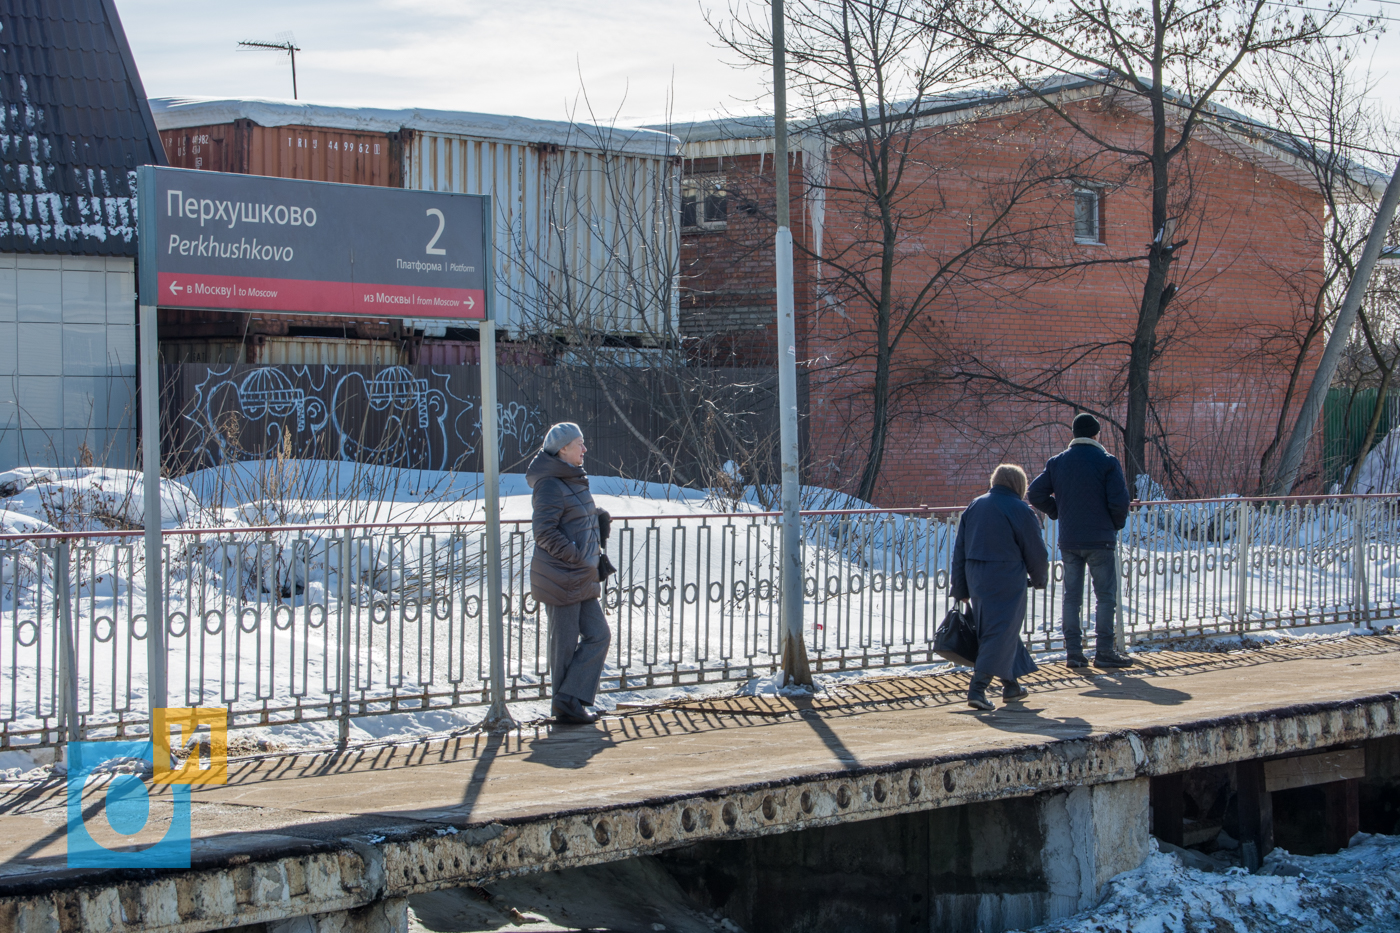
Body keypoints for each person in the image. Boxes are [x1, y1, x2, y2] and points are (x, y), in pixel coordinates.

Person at [1027, 413, 1134, 670]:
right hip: (1101, 540)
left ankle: (1074, 653)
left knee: (1071, 597)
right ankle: (1104, 652)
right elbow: (1119, 502)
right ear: (1096, 435)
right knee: (1106, 597)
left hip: (1070, 540)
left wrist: (1057, 511)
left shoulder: (1057, 462)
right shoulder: (1107, 462)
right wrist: (1114, 525)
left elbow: (1034, 493)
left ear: (1074, 435)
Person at [527, 422, 612, 725]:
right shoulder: (550, 483)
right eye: (580, 443)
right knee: (563, 646)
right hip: (561, 577)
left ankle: (570, 699)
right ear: (563, 448)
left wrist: (597, 519)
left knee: (599, 635)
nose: (585, 449)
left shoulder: (573, 480)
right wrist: (578, 556)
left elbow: (570, 519)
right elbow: (544, 532)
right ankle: (565, 706)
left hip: (580, 576)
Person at [950, 464, 1049, 711]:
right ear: (1018, 484)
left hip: (976, 577)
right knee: (1000, 630)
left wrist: (960, 587)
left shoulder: (975, 505)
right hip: (1005, 576)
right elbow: (1035, 551)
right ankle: (977, 689)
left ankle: (1011, 685)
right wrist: (1039, 579)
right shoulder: (1020, 509)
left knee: (1000, 628)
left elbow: (959, 549)